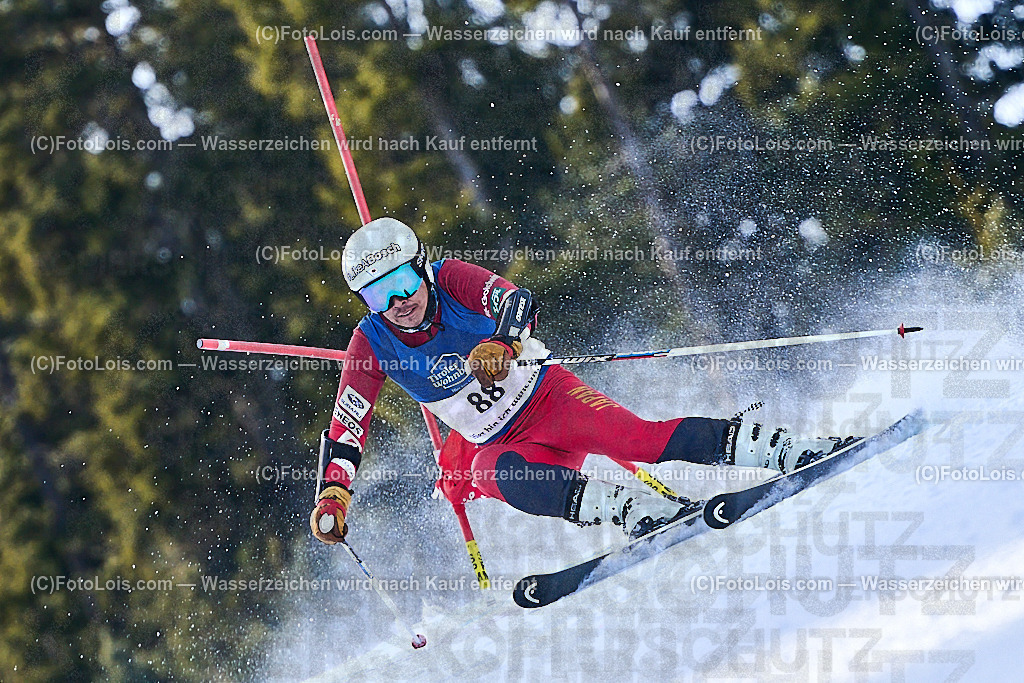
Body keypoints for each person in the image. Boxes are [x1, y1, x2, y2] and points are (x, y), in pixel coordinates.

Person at [310, 218, 850, 544]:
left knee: (641, 442)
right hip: (504, 444)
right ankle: (636, 511)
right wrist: (334, 495)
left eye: (402, 281)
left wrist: (504, 342)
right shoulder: (370, 345)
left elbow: (516, 300)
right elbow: (346, 428)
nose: (399, 303)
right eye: (379, 295)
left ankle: (791, 449)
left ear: (422, 269)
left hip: (547, 398)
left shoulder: (452, 279)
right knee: (489, 472)